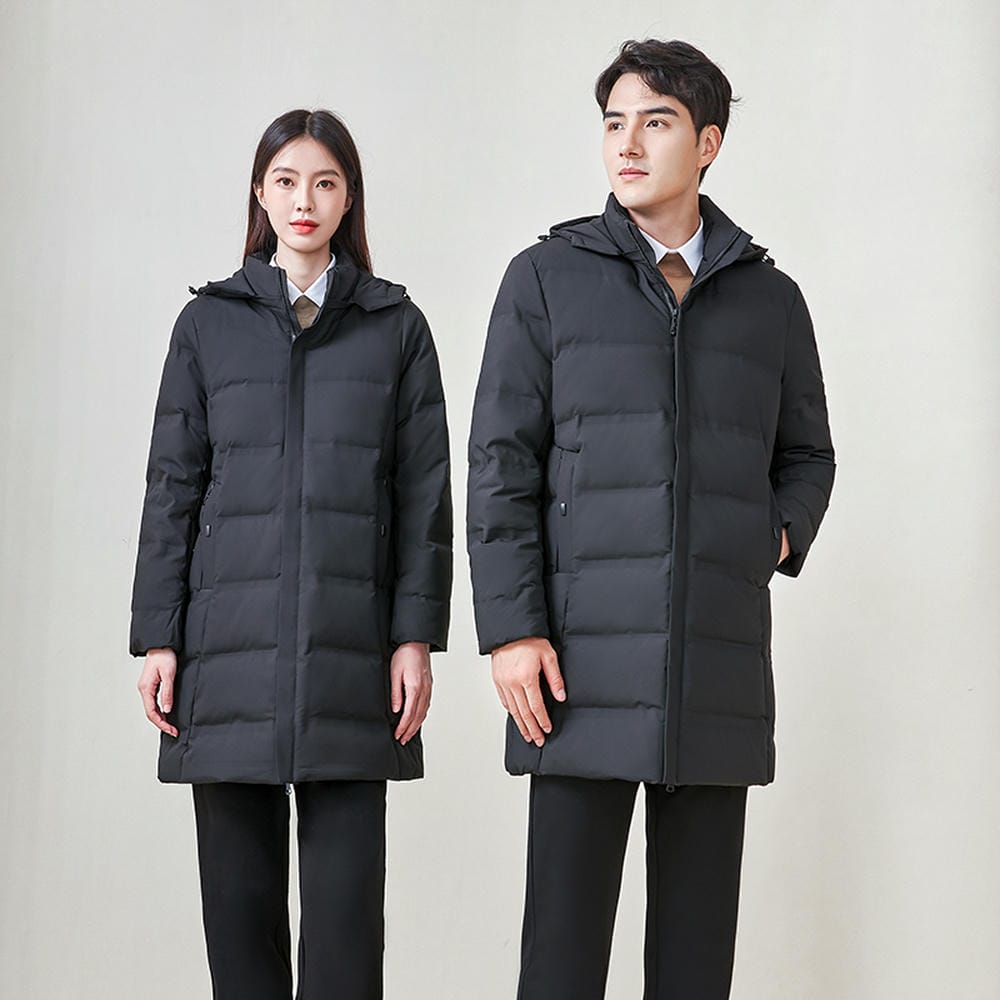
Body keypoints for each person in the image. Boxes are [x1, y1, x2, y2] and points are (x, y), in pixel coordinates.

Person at [467, 39, 835, 1000]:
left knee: (695, 965)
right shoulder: (545, 279)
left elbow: (808, 457)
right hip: (575, 668)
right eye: (614, 123)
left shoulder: (769, 300)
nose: (627, 144)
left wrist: (768, 539)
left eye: (656, 123)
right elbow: (500, 465)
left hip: (714, 667)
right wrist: (512, 630)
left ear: (707, 143)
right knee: (561, 960)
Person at [129, 108, 452, 1000]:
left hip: (352, 656)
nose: (303, 200)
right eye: (285, 181)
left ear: (348, 199)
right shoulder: (208, 325)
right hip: (225, 655)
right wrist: (159, 637)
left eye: (324, 182)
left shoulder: (396, 328)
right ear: (260, 194)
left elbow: (423, 498)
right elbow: (172, 488)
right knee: (239, 928)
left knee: (347, 934)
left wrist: (414, 638)